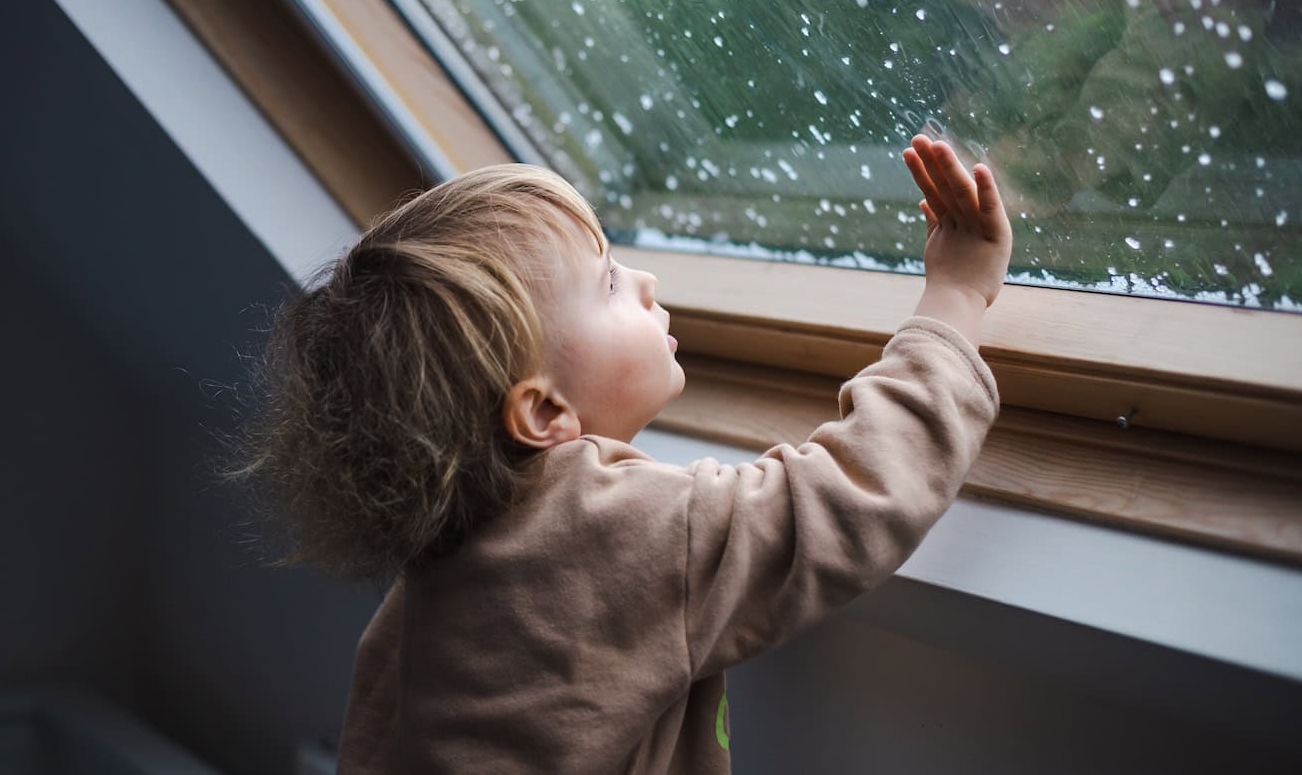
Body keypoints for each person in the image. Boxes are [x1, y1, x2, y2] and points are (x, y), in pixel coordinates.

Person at [237, 134, 1011, 772]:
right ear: (543, 411)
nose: (644, 279)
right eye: (607, 282)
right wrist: (955, 299)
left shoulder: (441, 552)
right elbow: (844, 499)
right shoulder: (612, 532)